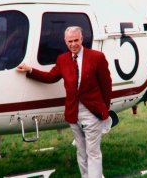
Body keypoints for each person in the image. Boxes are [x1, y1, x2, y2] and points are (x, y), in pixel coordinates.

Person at [17, 26, 113, 178]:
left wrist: (104, 110)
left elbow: (106, 85)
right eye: (70, 41)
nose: (73, 44)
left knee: (93, 152)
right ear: (65, 42)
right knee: (81, 152)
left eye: (76, 40)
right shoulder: (62, 60)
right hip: (73, 113)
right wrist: (30, 70)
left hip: (92, 113)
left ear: (82, 39)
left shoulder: (97, 57)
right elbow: (51, 77)